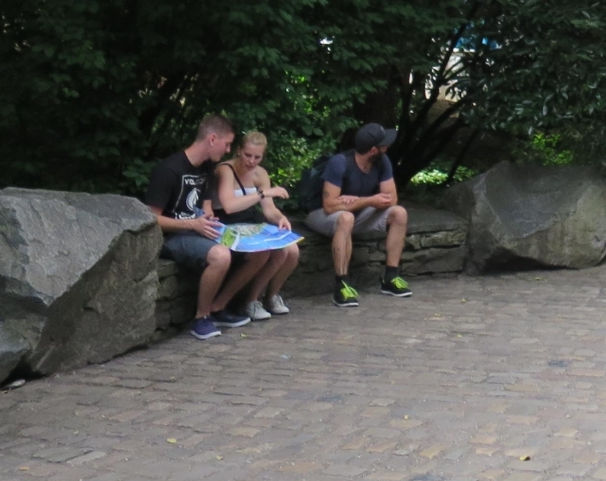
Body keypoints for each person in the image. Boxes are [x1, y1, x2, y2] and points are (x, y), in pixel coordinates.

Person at [145, 114, 282, 340]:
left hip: (200, 229)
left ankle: (220, 307)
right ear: (212, 139)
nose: (228, 150)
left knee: (260, 250)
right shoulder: (168, 169)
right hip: (174, 236)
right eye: (227, 144)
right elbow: (152, 219)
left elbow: (206, 206)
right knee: (221, 255)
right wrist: (193, 223)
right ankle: (201, 317)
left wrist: (208, 217)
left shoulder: (206, 167)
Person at [305, 122, 412, 306]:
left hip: (355, 213)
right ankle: (342, 285)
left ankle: (390, 277)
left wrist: (357, 201)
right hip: (320, 214)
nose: (387, 146)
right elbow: (329, 206)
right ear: (373, 150)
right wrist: (368, 200)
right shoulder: (339, 162)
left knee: (399, 213)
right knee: (346, 218)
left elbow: (391, 198)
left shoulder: (382, 161)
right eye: (384, 144)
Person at [214, 131, 303, 319]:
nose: (251, 161)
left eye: (257, 157)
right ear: (239, 150)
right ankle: (232, 303)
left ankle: (264, 297)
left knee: (291, 250)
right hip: (225, 223)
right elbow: (229, 206)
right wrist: (263, 193)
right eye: (248, 155)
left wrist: (280, 218)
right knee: (264, 252)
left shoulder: (260, 173)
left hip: (248, 223)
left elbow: (269, 209)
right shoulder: (225, 170)